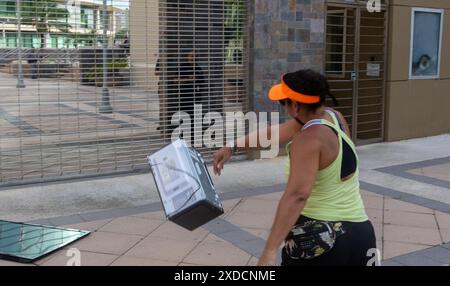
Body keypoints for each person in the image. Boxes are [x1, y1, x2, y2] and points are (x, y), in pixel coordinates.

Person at [213, 69, 376, 266]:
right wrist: (233, 146)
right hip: (361, 235)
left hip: (323, 240)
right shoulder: (334, 118)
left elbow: (297, 195)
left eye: (284, 102)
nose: (284, 107)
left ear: (296, 106)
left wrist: (270, 250)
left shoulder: (308, 139)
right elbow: (275, 133)